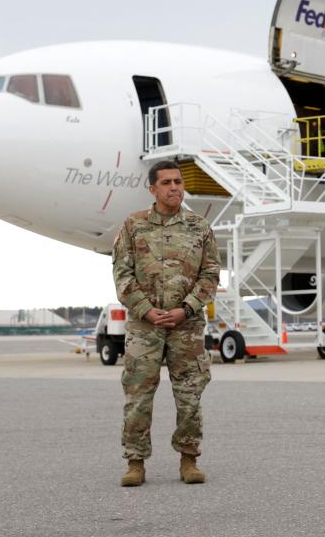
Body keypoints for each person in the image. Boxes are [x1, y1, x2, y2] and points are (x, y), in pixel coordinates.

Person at [112, 160, 221, 487]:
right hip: (145, 329)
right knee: (138, 397)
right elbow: (122, 275)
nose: (175, 187)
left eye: (178, 182)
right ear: (153, 189)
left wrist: (186, 309)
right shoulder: (134, 226)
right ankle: (135, 462)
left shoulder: (199, 227)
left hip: (186, 330)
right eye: (167, 183)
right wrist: (145, 309)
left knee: (189, 396)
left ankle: (189, 460)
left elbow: (211, 274)